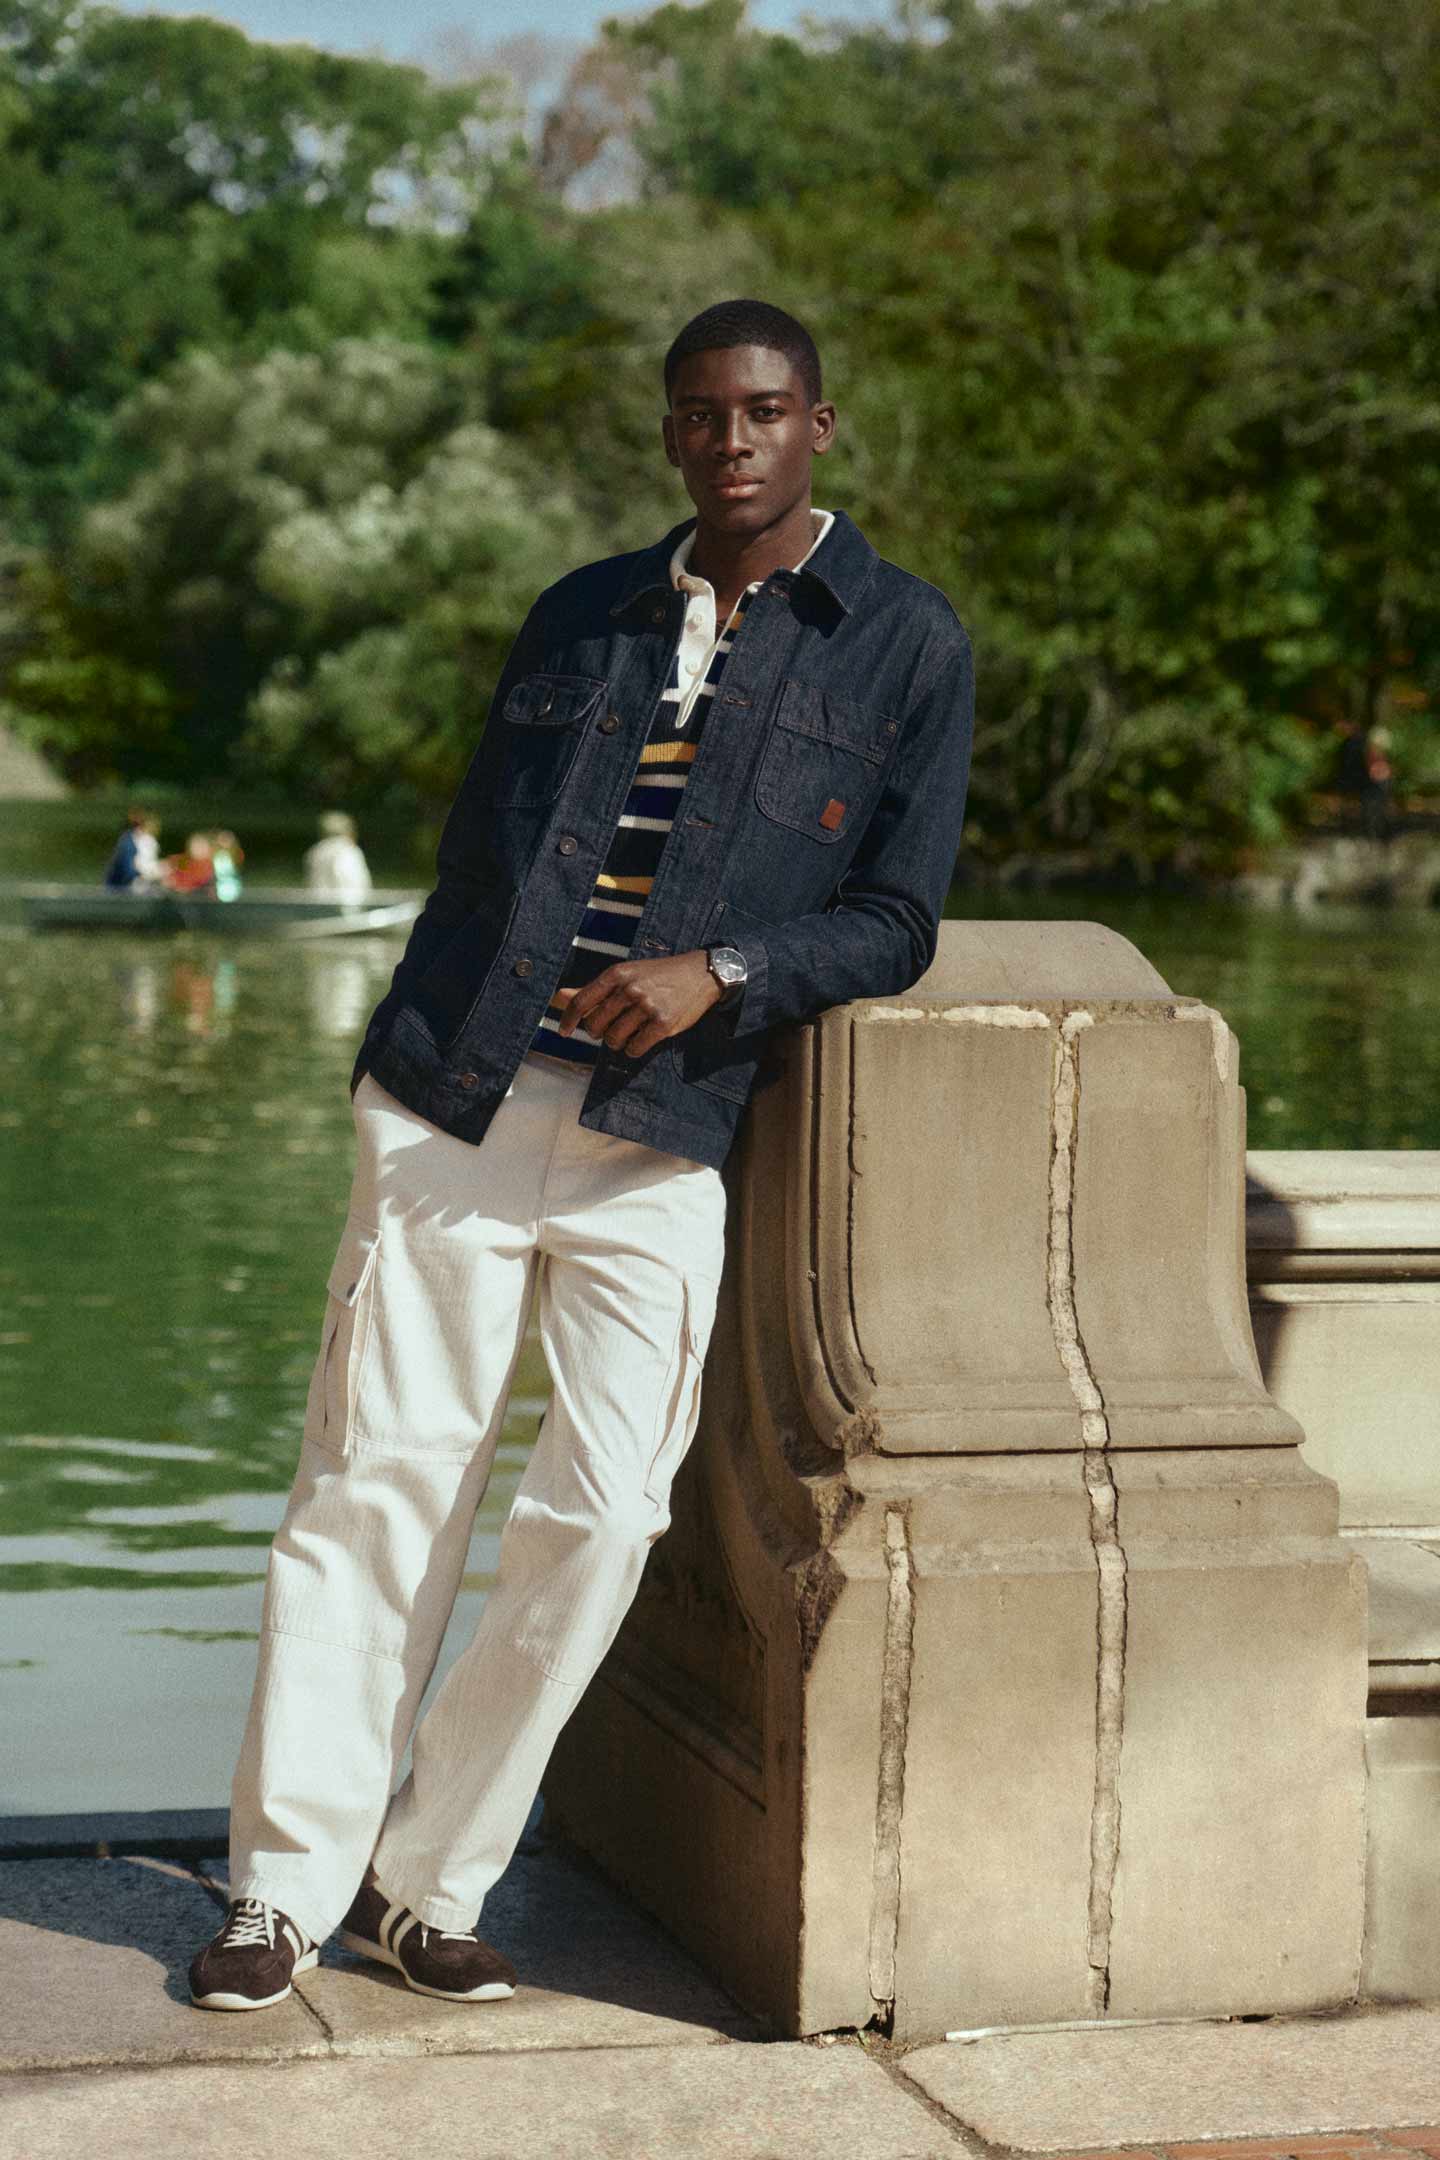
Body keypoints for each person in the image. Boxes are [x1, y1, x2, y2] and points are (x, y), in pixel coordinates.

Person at [190, 299, 974, 2013]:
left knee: (604, 1517)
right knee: (373, 1490)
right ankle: (281, 1894)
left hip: (663, 1138)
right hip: (457, 1108)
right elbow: (482, 854)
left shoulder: (902, 643)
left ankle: (429, 1881)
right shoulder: (585, 614)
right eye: (701, 415)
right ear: (673, 433)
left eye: (763, 412)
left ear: (820, 425)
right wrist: (395, 1079)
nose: (731, 441)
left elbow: (899, 917)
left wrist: (730, 973)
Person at [304, 812, 373, 901]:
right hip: (345, 907)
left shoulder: (315, 851)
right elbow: (357, 883)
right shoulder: (348, 851)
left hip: (316, 906)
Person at [103, 809, 160, 890]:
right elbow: (129, 871)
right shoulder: (128, 844)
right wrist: (146, 874)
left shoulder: (131, 841)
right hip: (119, 891)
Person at [211, 830, 245, 903]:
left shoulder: (236, 854)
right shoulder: (216, 854)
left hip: (233, 886)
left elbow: (238, 869)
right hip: (220, 887)